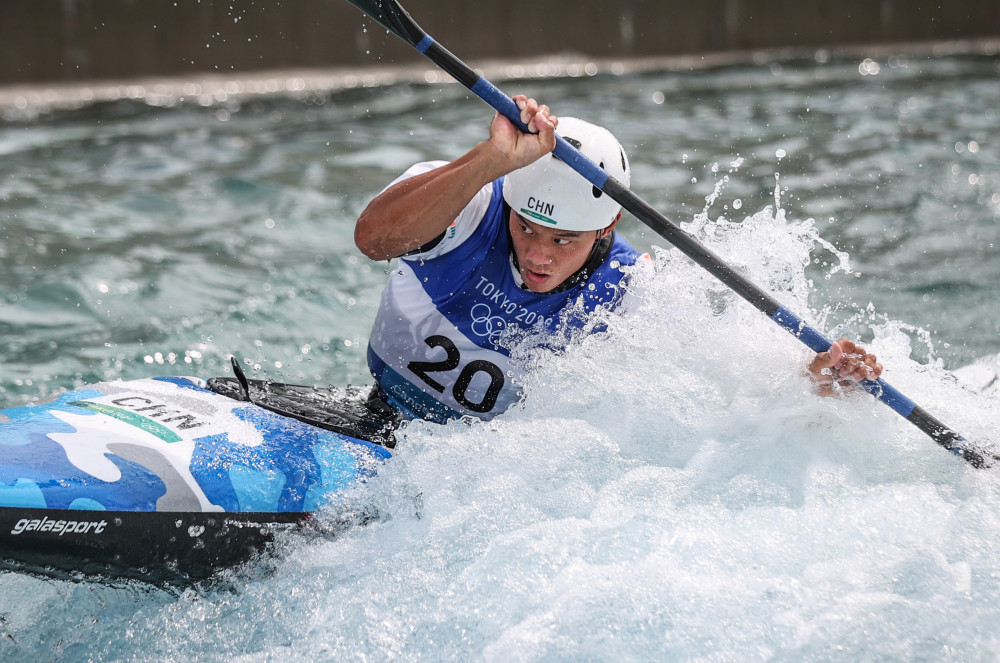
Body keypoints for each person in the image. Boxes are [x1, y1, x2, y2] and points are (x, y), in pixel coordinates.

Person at [355, 96, 883, 424]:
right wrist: (490, 159)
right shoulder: (470, 203)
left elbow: (722, 406)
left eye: (564, 241)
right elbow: (373, 239)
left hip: (472, 473)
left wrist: (814, 381)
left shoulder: (630, 291)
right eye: (526, 228)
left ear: (607, 226)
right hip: (378, 409)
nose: (538, 254)